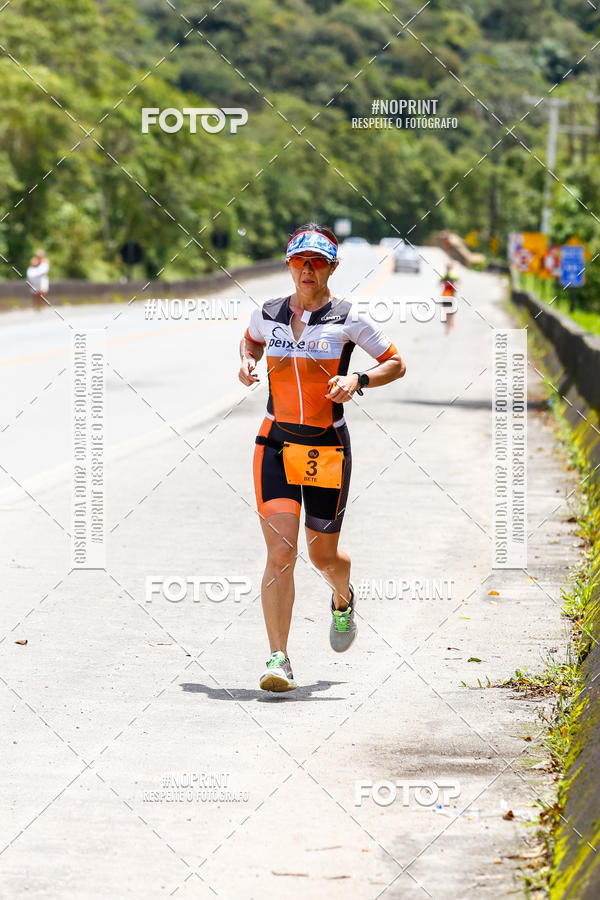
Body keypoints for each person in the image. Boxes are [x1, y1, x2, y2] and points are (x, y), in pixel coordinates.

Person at [238, 223, 406, 692]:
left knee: (323, 555)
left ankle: (342, 595)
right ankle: (279, 658)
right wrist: (247, 360)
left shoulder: (348, 318)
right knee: (280, 553)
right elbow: (250, 339)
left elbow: (395, 361)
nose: (307, 269)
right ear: (289, 264)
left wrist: (359, 381)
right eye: (299, 261)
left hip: (325, 447)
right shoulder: (267, 313)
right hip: (274, 441)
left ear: (332, 266)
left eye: (316, 262)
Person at [439, 261, 459, 334]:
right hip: (445, 295)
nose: (448, 269)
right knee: (447, 311)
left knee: (450, 312)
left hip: (451, 295)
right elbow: (439, 283)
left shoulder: (453, 276)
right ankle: (448, 326)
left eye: (449, 268)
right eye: (447, 268)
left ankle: (449, 324)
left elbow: (457, 284)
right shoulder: (444, 276)